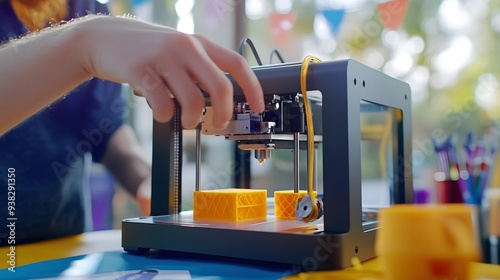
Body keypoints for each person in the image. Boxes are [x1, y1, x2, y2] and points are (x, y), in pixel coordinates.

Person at [0, 3, 264, 244]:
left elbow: (106, 132)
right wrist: (83, 43)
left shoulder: (87, 7)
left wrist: (147, 179)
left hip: (62, 248)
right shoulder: (91, 27)